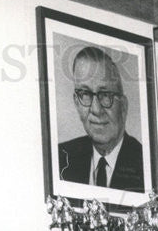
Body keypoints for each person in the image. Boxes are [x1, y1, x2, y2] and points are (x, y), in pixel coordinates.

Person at [57, 46, 144, 193]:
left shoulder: (144, 163)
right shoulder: (60, 157)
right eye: (85, 94)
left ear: (123, 106)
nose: (96, 110)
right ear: (77, 103)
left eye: (105, 95)